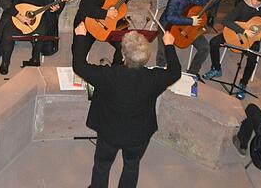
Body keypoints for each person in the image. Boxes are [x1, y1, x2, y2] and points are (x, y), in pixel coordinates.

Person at [73, 23, 181, 188]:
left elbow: (79, 66)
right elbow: (175, 72)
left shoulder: (108, 75)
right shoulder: (154, 78)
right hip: (139, 134)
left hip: (109, 132)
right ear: (145, 57)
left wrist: (80, 36)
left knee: (102, 165)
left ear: (123, 55)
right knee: (132, 165)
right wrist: (169, 45)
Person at [74, 0, 148, 66]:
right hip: (91, 20)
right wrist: (105, 13)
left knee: (125, 47)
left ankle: (116, 69)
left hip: (114, 22)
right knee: (78, 50)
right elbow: (84, 7)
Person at [154, 0, 225, 77]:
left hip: (190, 28)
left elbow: (206, 5)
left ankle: (192, 73)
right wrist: (190, 21)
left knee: (205, 48)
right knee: (164, 52)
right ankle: (159, 73)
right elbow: (169, 16)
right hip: (169, 26)